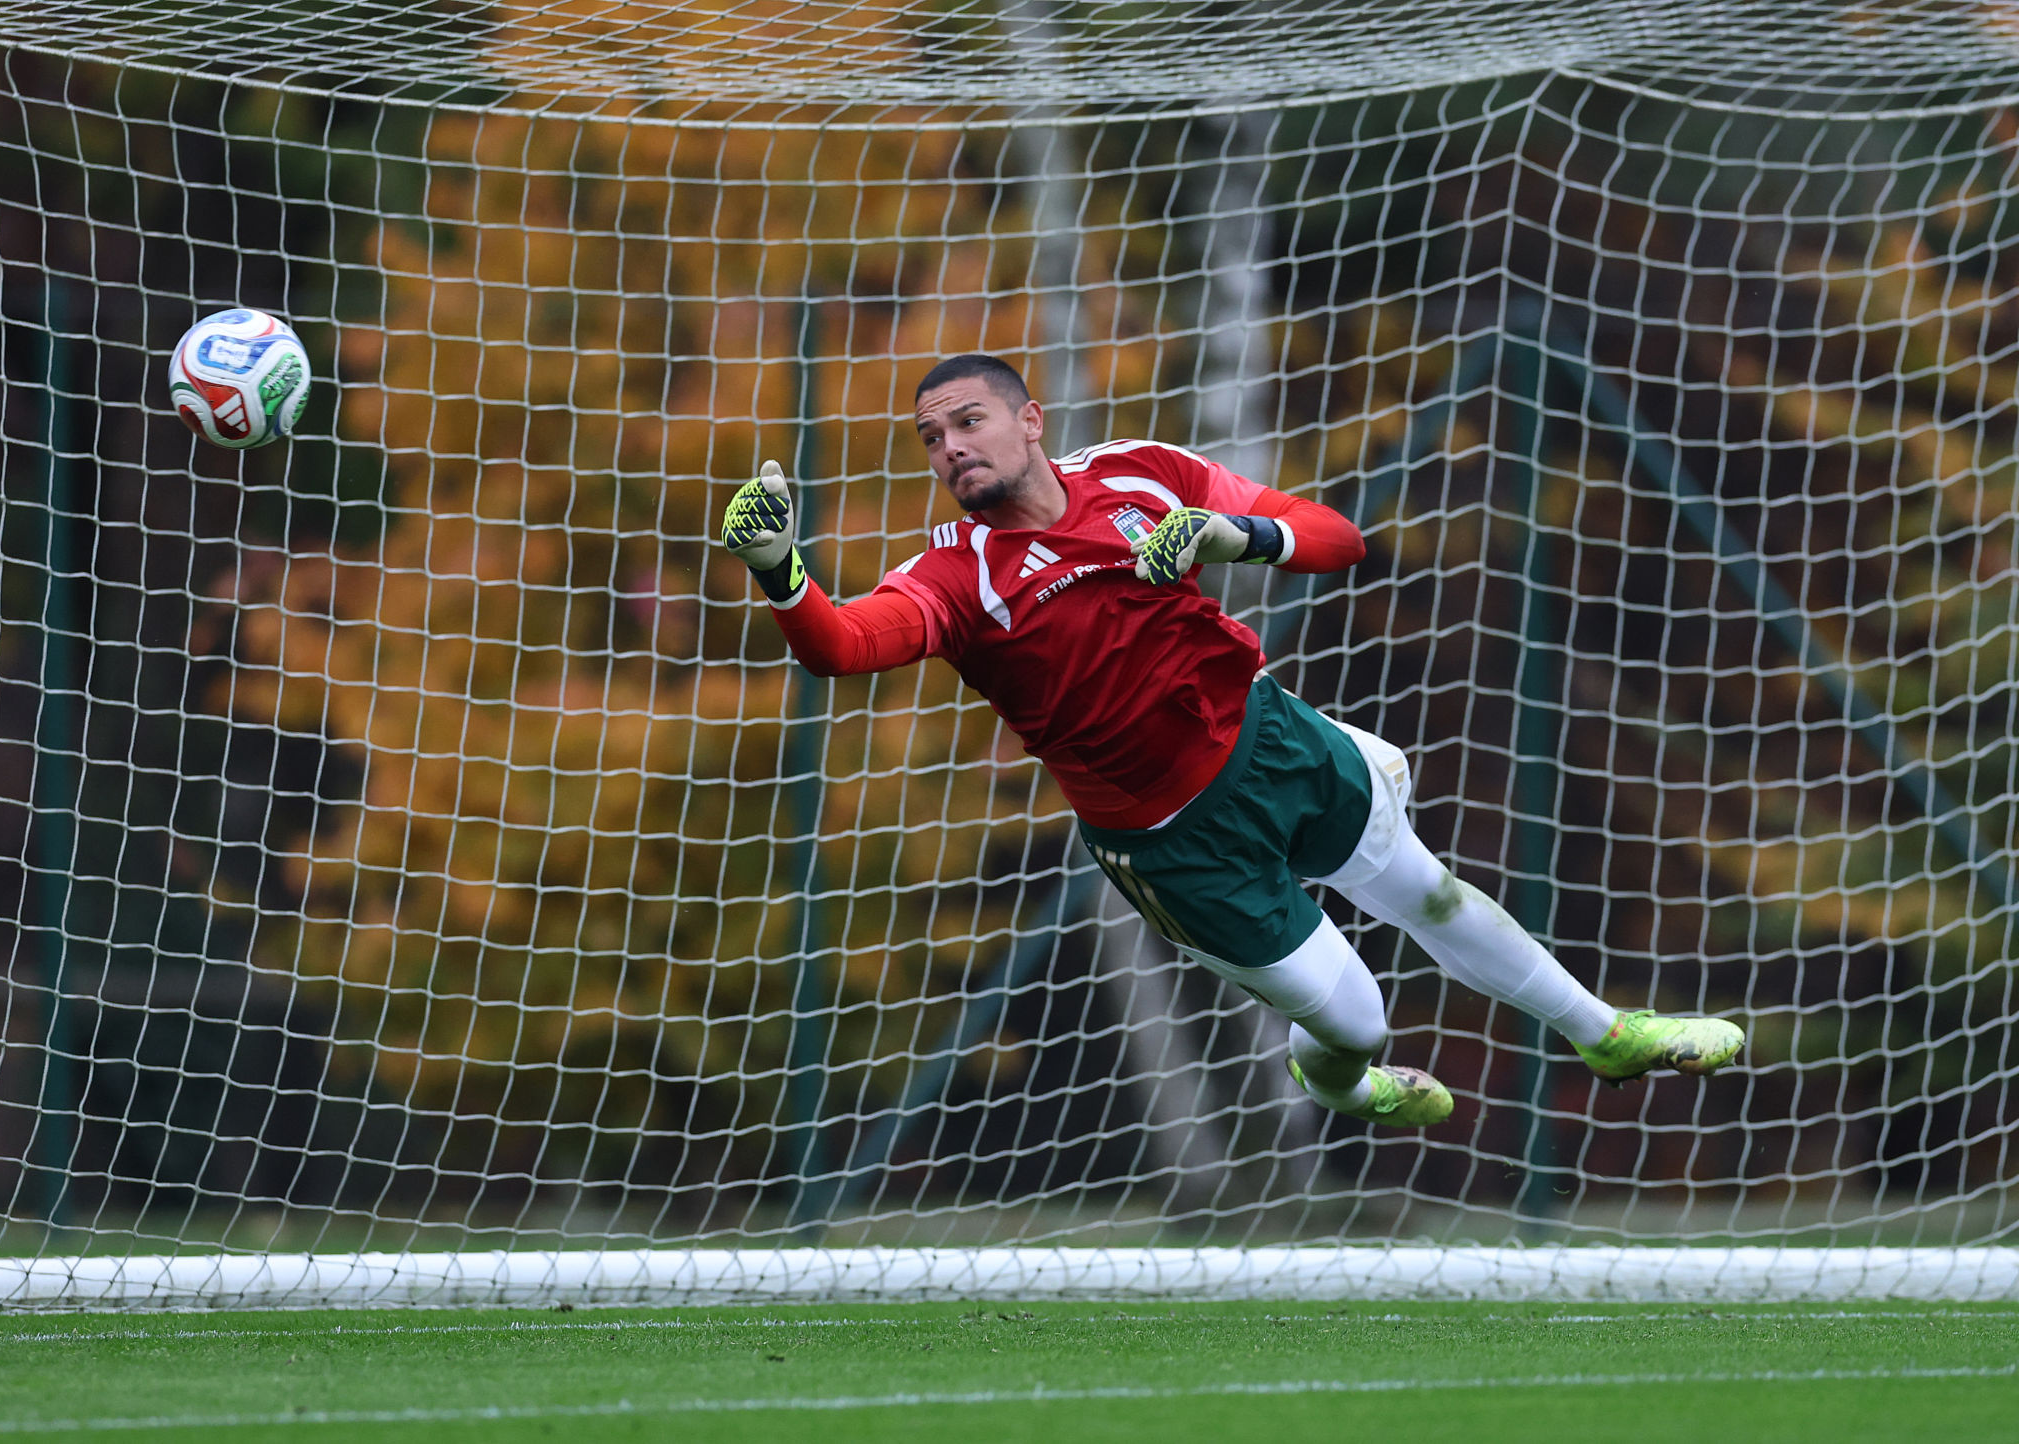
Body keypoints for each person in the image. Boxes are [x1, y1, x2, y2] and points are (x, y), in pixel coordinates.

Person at [720, 353, 1743, 1126]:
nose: (949, 449)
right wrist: (779, 570)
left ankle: (1603, 1034)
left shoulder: (1141, 475)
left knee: (1431, 891)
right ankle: (1342, 1083)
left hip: (1269, 740)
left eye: (967, 422)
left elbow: (1337, 538)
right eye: (931, 438)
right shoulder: (956, 574)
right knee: (1356, 1021)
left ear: (1029, 422)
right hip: (1172, 839)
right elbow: (842, 646)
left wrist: (1233, 534)